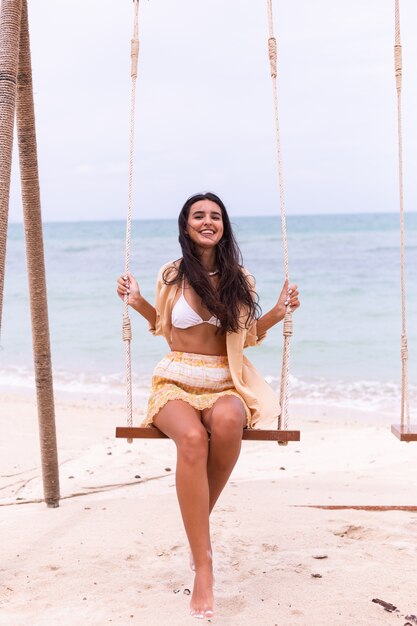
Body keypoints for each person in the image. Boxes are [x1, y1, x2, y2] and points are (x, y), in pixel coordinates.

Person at [116, 192, 300, 620]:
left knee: (232, 419)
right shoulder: (172, 274)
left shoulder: (241, 279)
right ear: (186, 225)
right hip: (175, 379)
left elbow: (246, 336)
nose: (207, 221)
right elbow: (162, 325)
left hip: (223, 379)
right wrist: (137, 299)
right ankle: (204, 565)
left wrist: (276, 312)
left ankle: (195, 524)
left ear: (224, 226)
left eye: (215, 216)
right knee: (194, 439)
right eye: (198, 215)